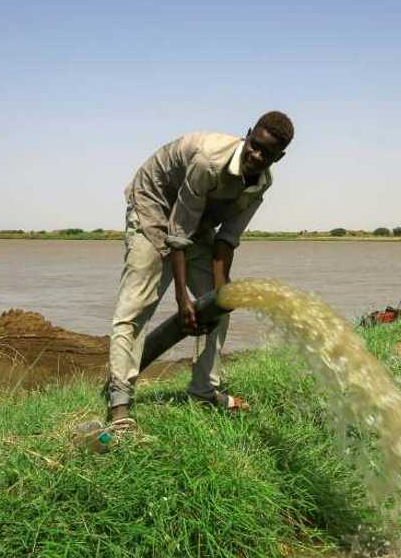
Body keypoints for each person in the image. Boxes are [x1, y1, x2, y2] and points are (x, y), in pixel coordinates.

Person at [105, 111, 295, 428]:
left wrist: (218, 297)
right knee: (135, 308)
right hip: (155, 204)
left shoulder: (262, 183)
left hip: (195, 220)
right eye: (255, 146)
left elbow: (226, 239)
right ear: (248, 134)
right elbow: (177, 232)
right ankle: (120, 405)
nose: (257, 156)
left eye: (268, 155)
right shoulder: (210, 159)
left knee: (220, 304)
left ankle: (204, 391)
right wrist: (182, 301)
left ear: (280, 157)